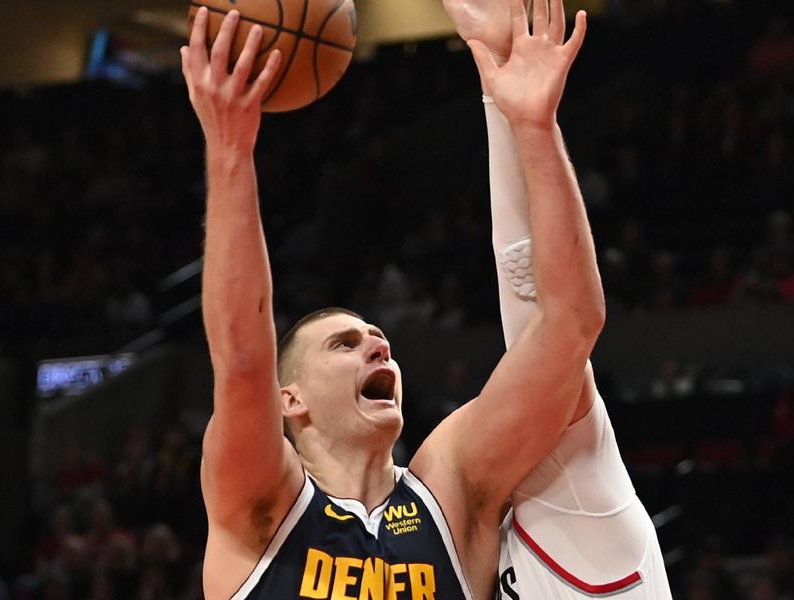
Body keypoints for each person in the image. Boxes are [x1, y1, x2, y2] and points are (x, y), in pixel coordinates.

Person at [180, 1, 603, 598]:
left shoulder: (451, 489)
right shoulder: (261, 506)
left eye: (376, 336)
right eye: (343, 344)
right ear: (290, 399)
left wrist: (535, 126)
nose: (377, 342)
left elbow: (571, 329)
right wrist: (229, 153)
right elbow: (245, 360)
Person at [441, 0, 673, 596]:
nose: (378, 349)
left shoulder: (573, 504)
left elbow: (547, 318)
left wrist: (512, 105)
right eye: (343, 341)